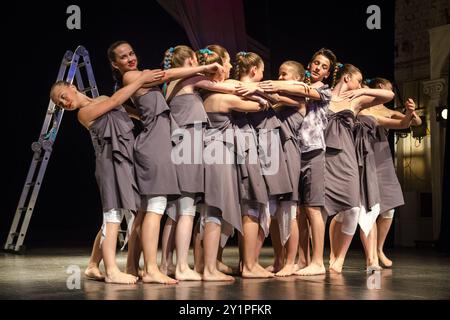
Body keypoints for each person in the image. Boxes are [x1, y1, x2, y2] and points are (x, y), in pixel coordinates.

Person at [50, 68, 165, 284]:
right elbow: (114, 102)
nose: (63, 103)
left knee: (118, 216)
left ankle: (93, 265)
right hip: (110, 163)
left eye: (63, 97)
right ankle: (112, 271)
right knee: (113, 216)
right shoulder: (83, 114)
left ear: (73, 87)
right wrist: (141, 79)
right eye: (59, 104)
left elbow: (122, 108)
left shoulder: (102, 99)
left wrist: (148, 117)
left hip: (127, 160)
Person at [122, 56, 224, 284]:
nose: (130, 58)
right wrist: (206, 67)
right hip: (155, 145)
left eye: (130, 53)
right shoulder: (136, 76)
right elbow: (165, 75)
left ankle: (143, 266)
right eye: (123, 56)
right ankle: (152, 268)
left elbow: (148, 107)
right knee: (156, 208)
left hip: (162, 144)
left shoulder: (150, 82)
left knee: (153, 209)